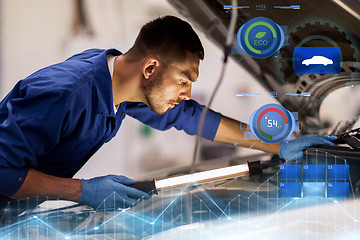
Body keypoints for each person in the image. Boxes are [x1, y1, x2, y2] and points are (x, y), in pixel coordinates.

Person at [0, 16, 336, 212]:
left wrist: (277, 146)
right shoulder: (65, 93)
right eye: (184, 80)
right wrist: (82, 191)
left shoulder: (121, 84)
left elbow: (192, 116)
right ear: (150, 67)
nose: (188, 93)